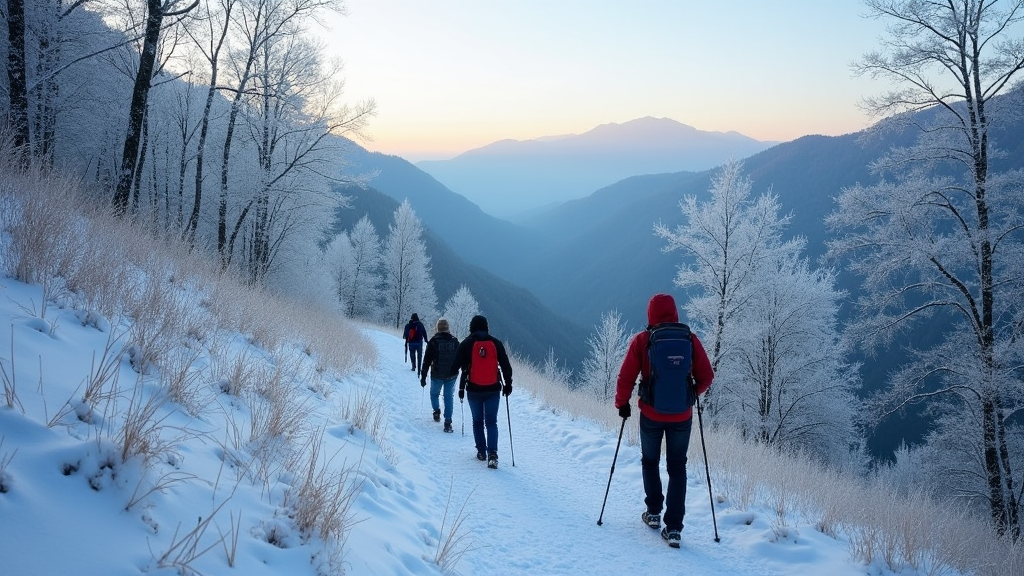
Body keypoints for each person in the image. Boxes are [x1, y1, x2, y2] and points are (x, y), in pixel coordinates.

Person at [614, 293, 713, 548]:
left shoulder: (643, 341)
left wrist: (622, 404)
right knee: (677, 467)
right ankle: (674, 528)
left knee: (650, 461)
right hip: (682, 416)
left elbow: (626, 377)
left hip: (650, 414)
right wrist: (690, 395)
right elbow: (707, 377)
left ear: (650, 314)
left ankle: (654, 513)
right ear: (675, 312)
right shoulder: (690, 340)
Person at [452, 315, 512, 469]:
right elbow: (506, 366)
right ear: (486, 326)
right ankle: (492, 454)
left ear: (471, 327)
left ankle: (481, 452)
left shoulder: (466, 343)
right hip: (493, 389)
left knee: (477, 421)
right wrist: (508, 385)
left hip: (473, 390)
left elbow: (454, 365)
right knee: (491, 422)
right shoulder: (495, 343)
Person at [420, 318, 460, 432]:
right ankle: (448, 422)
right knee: (448, 397)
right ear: (448, 328)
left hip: (436, 374)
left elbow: (426, 360)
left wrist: (423, 376)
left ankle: (436, 412)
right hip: (452, 375)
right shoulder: (455, 341)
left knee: (434, 394)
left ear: (437, 328)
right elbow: (460, 358)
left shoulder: (433, 341)